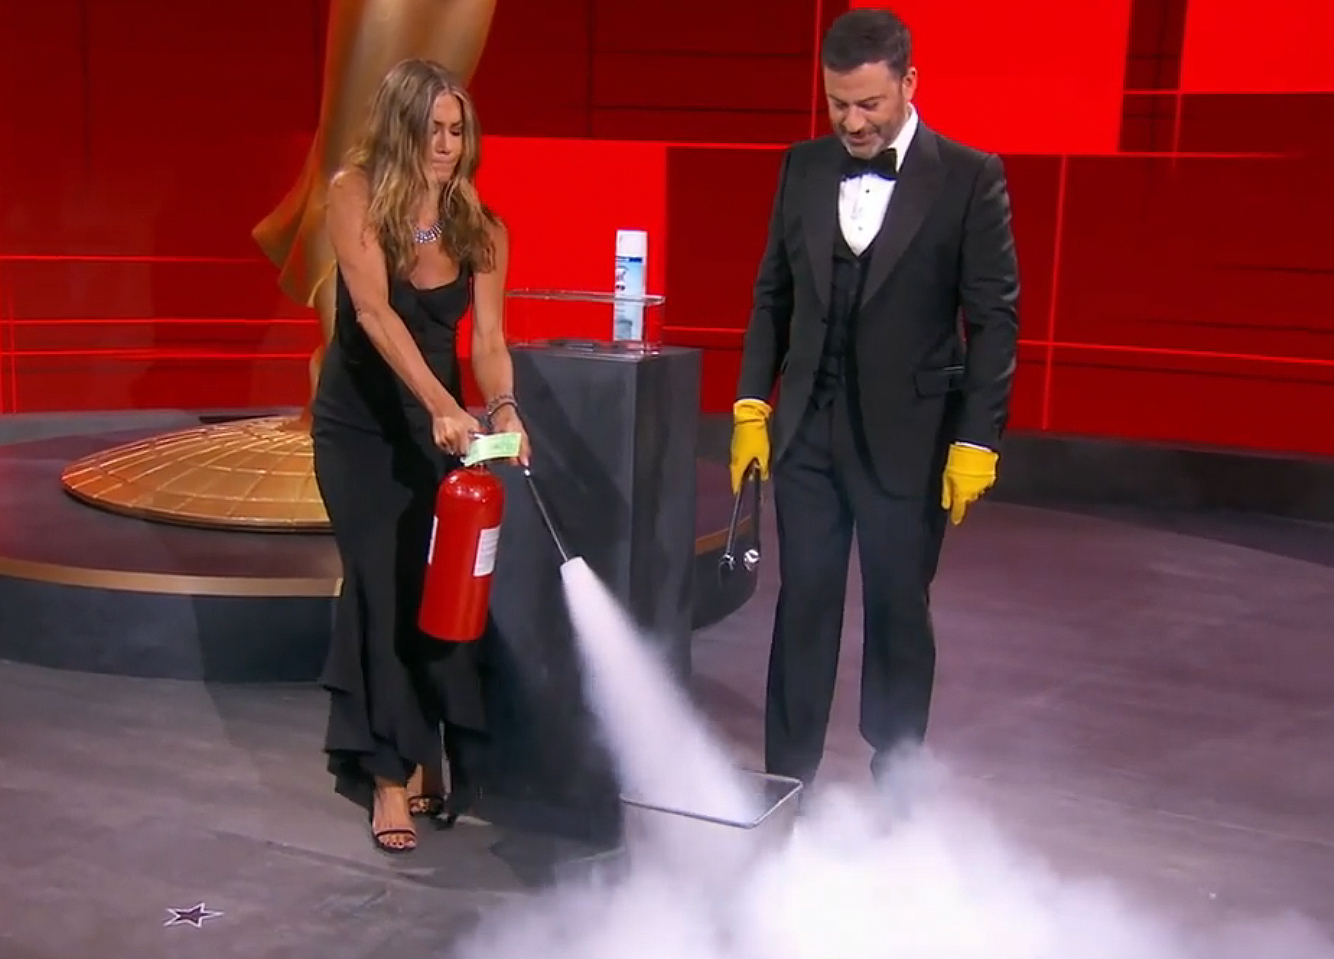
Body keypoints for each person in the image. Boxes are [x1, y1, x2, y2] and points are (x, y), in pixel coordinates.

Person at [730, 8, 1020, 791]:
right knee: (804, 603)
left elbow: (994, 321)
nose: (852, 122)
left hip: (911, 439)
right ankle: (786, 780)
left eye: (869, 104)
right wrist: (752, 403)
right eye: (838, 104)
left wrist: (977, 439)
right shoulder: (802, 167)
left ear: (909, 84)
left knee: (897, 609)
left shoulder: (968, 177)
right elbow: (772, 296)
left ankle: (896, 784)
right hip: (808, 434)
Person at [311, 58, 530, 854]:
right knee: (378, 579)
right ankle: (387, 776)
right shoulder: (355, 194)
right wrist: (441, 403)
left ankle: (430, 745)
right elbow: (374, 313)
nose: (447, 144)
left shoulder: (481, 227)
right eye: (433, 129)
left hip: (442, 427)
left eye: (457, 130)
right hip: (361, 427)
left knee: (431, 584)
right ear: (402, 128)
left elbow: (491, 343)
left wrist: (501, 408)